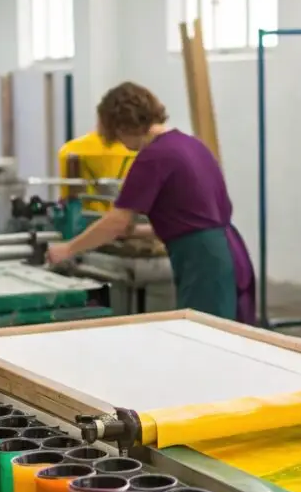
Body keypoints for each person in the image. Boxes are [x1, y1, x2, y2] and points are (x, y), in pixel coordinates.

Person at [46, 82, 255, 325]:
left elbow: (117, 221)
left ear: (122, 126)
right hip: (230, 252)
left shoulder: (153, 156)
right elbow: (194, 218)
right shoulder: (191, 144)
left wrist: (67, 249)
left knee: (205, 336)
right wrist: (136, 231)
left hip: (203, 262)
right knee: (225, 335)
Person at [57, 128, 135, 214]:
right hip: (124, 213)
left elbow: (69, 197)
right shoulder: (135, 147)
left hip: (85, 214)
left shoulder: (71, 149)